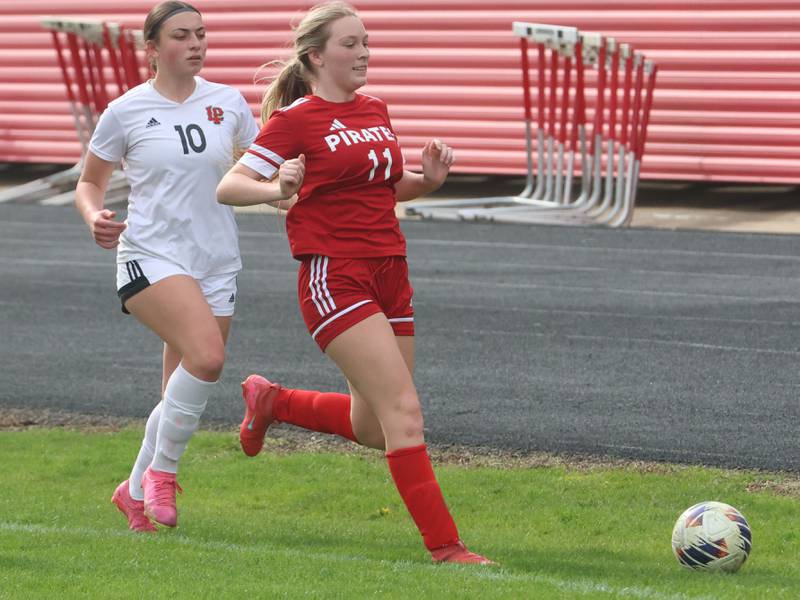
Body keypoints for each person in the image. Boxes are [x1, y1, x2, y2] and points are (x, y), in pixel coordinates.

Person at [216, 2, 493, 565]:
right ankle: (447, 548)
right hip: (334, 276)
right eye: (350, 44)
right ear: (316, 56)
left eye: (366, 41)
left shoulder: (375, 108)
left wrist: (428, 181)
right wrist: (277, 188)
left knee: (375, 427)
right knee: (405, 412)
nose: (364, 52)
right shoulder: (295, 120)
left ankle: (272, 401)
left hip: (391, 270)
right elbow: (230, 185)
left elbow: (386, 187)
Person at [74, 1, 260, 531]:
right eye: (182, 35)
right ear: (152, 48)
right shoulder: (125, 111)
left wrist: (282, 188)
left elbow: (255, 170)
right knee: (207, 358)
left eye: (202, 33)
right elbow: (90, 183)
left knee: (180, 389)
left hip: (216, 260)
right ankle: (162, 473)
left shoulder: (228, 103)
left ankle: (133, 493)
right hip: (150, 254)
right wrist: (94, 216)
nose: (197, 43)